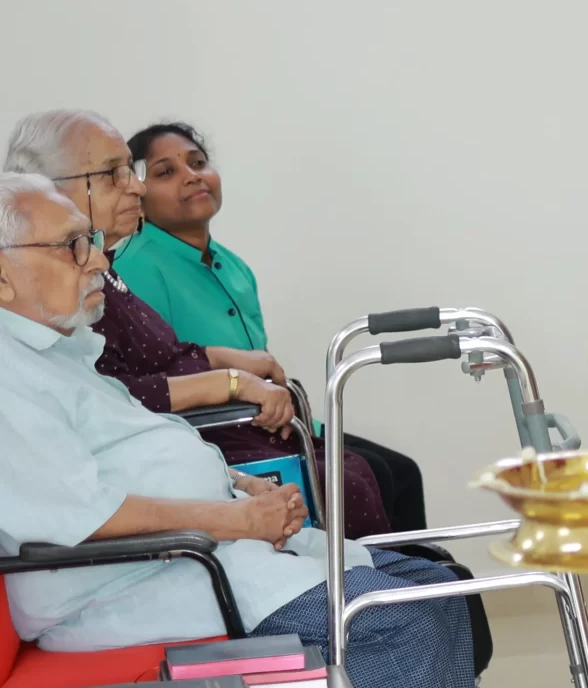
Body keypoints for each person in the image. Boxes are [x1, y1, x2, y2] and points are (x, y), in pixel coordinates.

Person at [0, 173, 556, 688]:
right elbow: (85, 519)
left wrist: (236, 488)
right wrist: (234, 521)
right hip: (126, 584)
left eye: (89, 241)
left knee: (435, 588)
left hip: (195, 551)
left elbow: (134, 455)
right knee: (392, 623)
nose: (97, 259)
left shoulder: (55, 351)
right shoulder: (9, 380)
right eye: (72, 245)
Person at [4, 110, 395, 540]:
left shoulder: (107, 275)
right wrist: (232, 384)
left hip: (203, 462)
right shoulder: (65, 304)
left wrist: (237, 378)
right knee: (349, 482)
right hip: (199, 462)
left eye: (131, 171)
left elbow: (157, 362)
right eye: (115, 174)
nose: (136, 187)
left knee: (375, 476)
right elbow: (123, 401)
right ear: (47, 188)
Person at [119, 120, 429, 534]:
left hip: (269, 420)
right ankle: (382, 573)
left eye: (198, 162)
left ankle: (418, 571)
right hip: (216, 435)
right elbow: (157, 377)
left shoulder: (232, 266)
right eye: (166, 172)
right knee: (361, 479)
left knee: (400, 472)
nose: (191, 176)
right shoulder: (135, 268)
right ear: (137, 196)